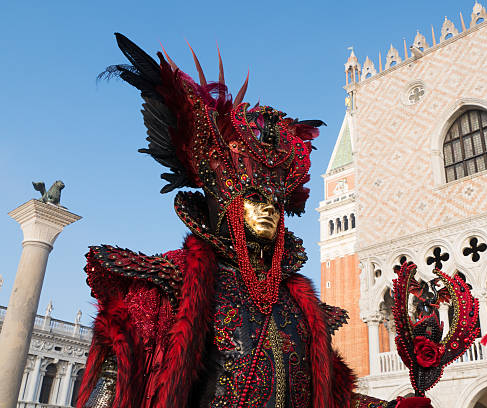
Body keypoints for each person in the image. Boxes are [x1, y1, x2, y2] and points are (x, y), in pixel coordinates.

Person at [77, 33, 433, 408]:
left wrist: (392, 406)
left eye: (275, 203)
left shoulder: (299, 306)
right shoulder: (170, 285)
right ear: (225, 201)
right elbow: (115, 391)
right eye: (255, 199)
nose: (269, 209)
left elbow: (329, 398)